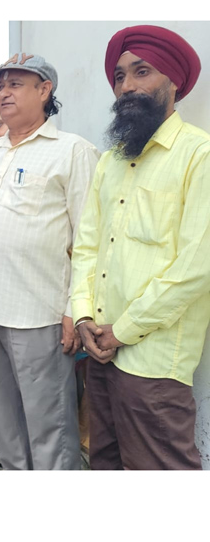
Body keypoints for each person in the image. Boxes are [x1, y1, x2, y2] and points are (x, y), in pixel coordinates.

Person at [0, 54, 100, 470]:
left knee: (49, 424)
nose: (5, 93)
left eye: (16, 84)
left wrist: (75, 310)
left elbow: (91, 238)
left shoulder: (72, 152)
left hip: (36, 313)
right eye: (1, 86)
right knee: (3, 418)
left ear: (44, 90)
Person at [71, 25, 210, 470]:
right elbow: (87, 244)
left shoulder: (199, 155)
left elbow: (196, 266)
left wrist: (122, 330)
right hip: (100, 350)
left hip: (153, 362)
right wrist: (84, 316)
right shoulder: (112, 159)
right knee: (105, 463)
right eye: (119, 76)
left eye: (142, 72)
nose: (127, 86)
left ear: (173, 82)